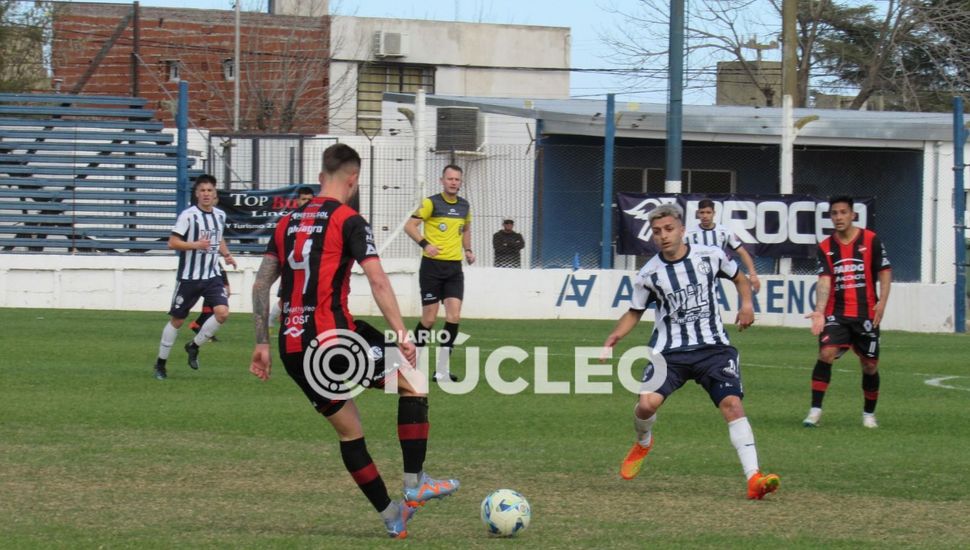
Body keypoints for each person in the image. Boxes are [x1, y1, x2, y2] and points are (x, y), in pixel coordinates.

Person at [248, 144, 459, 539]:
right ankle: (415, 482)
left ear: (321, 173)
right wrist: (400, 331)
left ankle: (392, 514)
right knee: (413, 379)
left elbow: (262, 284)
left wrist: (261, 342)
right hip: (334, 338)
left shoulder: (287, 222)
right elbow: (377, 279)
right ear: (353, 178)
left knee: (350, 431)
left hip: (292, 348)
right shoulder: (348, 220)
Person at [601, 203, 780, 500]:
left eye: (669, 229)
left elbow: (739, 278)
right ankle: (643, 441)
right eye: (657, 232)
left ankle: (754, 478)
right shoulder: (649, 274)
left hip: (713, 349)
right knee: (646, 406)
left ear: (683, 230)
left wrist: (747, 304)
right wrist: (614, 336)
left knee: (732, 405)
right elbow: (634, 311)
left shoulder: (709, 256)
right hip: (670, 353)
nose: (663, 236)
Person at [803, 195, 892, 429]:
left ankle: (868, 414)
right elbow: (824, 280)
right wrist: (820, 311)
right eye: (834, 213)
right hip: (837, 314)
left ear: (853, 215)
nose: (839, 217)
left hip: (866, 314)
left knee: (870, 366)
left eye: (843, 212)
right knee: (826, 354)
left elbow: (884, 271)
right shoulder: (826, 246)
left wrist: (882, 302)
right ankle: (815, 411)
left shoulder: (870, 240)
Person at [153, 174, 236, 380]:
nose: (206, 194)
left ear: (215, 193)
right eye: (202, 190)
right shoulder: (188, 216)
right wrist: (195, 245)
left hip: (211, 276)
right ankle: (160, 364)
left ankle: (193, 345)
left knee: (222, 313)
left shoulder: (219, 215)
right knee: (178, 321)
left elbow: (219, 237)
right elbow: (172, 243)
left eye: (210, 190)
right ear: (197, 194)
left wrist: (226, 255)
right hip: (189, 278)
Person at [404, 164, 475, 382]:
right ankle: (409, 365)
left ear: (460, 182)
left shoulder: (464, 206)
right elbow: (410, 226)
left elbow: (466, 229)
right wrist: (425, 244)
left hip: (454, 268)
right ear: (442, 180)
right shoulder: (431, 203)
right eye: (450, 179)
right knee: (429, 318)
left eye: (457, 180)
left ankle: (442, 370)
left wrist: (468, 250)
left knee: (454, 316)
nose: (454, 182)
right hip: (432, 268)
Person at [685, 199, 761, 293]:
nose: (705, 216)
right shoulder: (689, 234)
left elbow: (742, 252)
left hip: (721, 265)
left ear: (714, 213)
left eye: (708, 212)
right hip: (700, 268)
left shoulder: (724, 231)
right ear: (698, 214)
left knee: (743, 281)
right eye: (702, 212)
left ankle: (747, 305)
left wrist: (753, 275)